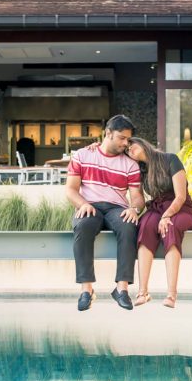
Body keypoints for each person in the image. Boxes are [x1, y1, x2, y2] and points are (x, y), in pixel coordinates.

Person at [66, 115, 145, 311]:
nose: (126, 143)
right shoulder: (83, 155)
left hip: (116, 208)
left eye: (128, 139)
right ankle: (86, 290)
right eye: (122, 138)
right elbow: (70, 189)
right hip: (89, 206)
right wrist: (82, 204)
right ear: (108, 134)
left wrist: (134, 209)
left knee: (129, 225)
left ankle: (122, 289)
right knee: (83, 225)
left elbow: (137, 196)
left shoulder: (130, 164)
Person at [125, 137, 192, 308]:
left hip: (180, 208)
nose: (129, 150)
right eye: (126, 150)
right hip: (157, 209)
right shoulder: (141, 171)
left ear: (142, 143)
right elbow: (140, 199)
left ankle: (171, 294)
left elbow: (181, 196)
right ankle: (143, 292)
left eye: (131, 145)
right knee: (145, 226)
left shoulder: (170, 159)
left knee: (171, 228)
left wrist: (167, 216)